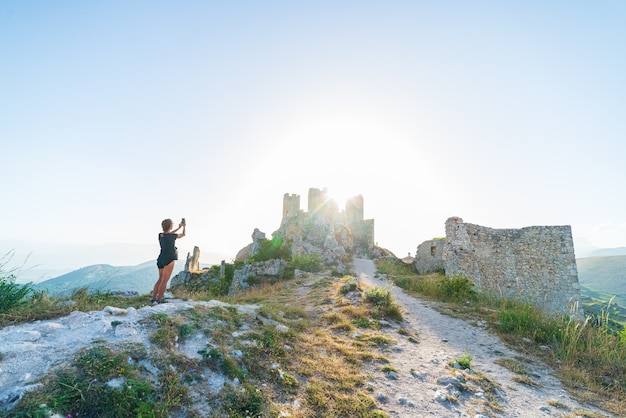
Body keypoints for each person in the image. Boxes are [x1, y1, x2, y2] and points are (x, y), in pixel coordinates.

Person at [152, 218, 186, 303]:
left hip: (161, 258)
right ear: (170, 226)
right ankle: (159, 299)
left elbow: (168, 234)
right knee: (164, 281)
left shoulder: (160, 235)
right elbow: (183, 235)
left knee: (160, 279)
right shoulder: (172, 236)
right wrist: (184, 227)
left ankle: (153, 298)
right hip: (169, 258)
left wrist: (178, 228)